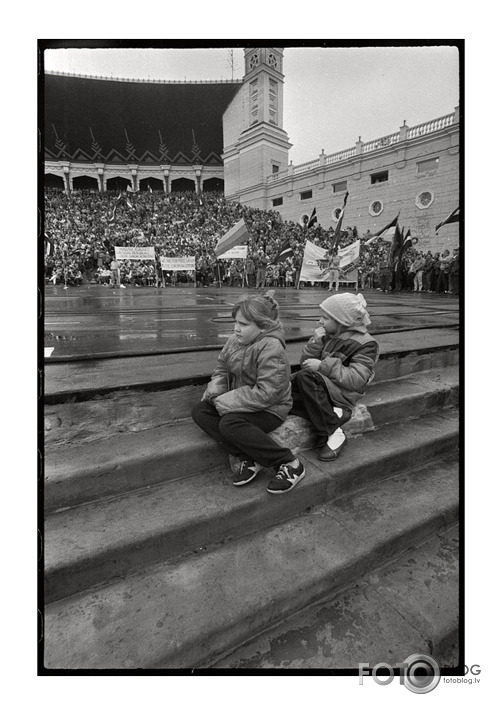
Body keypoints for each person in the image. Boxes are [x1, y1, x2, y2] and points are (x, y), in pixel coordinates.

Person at [191, 291, 306, 494]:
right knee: (200, 411)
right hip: (243, 401)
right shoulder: (236, 340)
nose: (236, 328)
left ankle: (288, 463)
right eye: (235, 322)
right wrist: (217, 391)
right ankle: (248, 456)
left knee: (229, 424)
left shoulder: (272, 348)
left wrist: (228, 401)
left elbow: (268, 392)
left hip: (271, 408)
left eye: (243, 324)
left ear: (263, 326)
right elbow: (221, 368)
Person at [290, 293, 379, 461]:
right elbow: (305, 363)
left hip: (343, 393)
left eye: (325, 318)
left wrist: (323, 366)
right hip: (322, 387)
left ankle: (334, 433)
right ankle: (332, 415)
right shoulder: (329, 336)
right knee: (285, 390)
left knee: (305, 378)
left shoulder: (366, 343)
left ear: (342, 321)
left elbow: (356, 379)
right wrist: (315, 343)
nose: (320, 321)